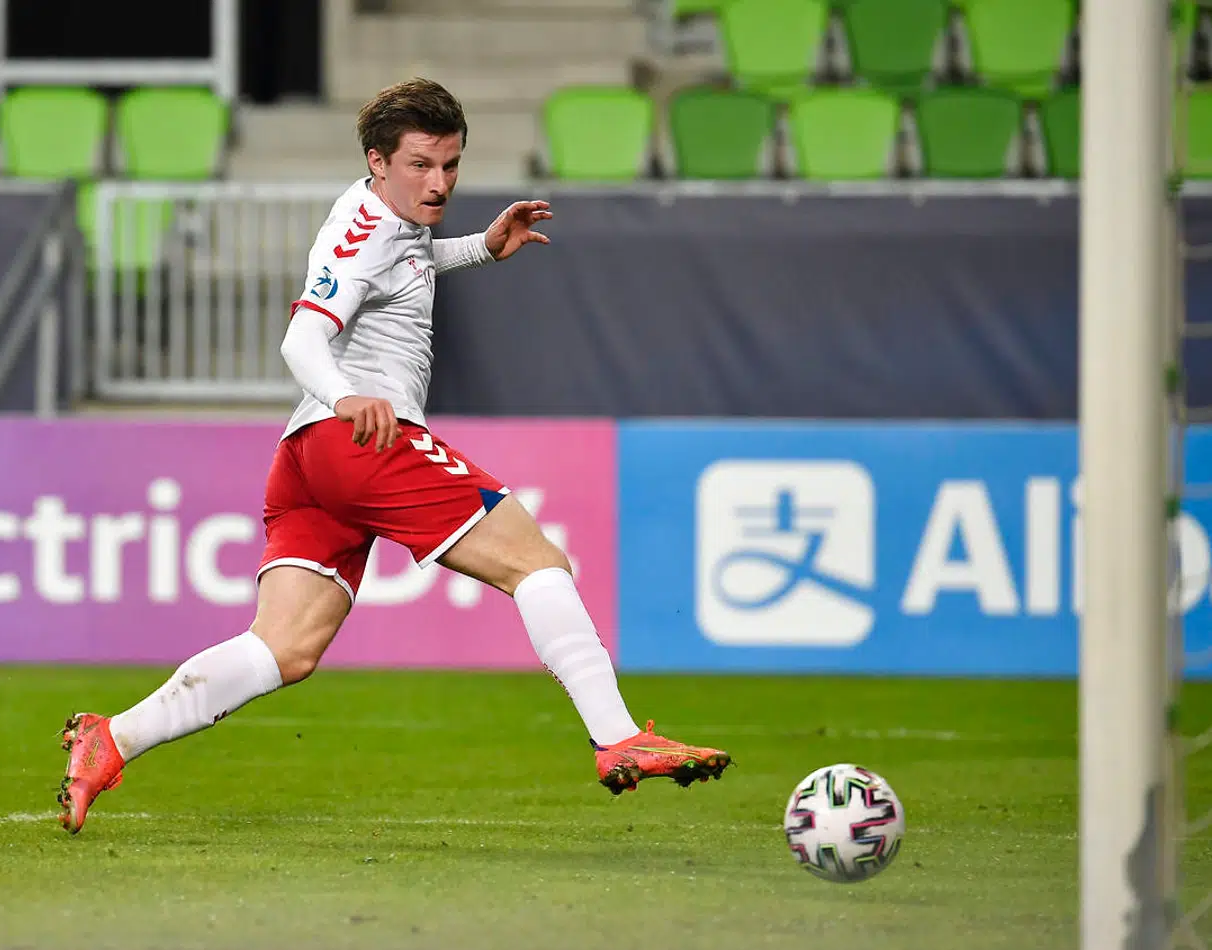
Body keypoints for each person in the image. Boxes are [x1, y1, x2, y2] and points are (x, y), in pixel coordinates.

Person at [56, 78, 730, 835]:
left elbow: (400, 265)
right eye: (420, 165)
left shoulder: (379, 213)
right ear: (378, 161)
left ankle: (111, 739)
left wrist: (479, 247)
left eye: (450, 164)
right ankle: (618, 738)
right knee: (536, 563)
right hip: (362, 438)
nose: (438, 183)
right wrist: (347, 395)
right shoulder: (369, 231)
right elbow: (301, 337)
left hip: (307, 458)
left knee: (284, 648)